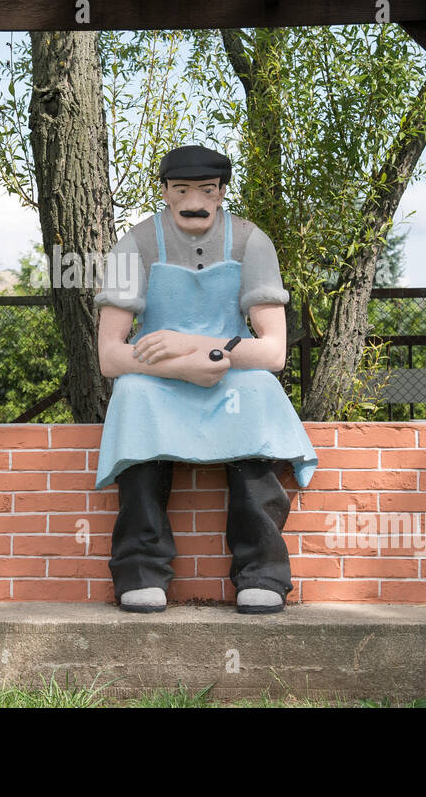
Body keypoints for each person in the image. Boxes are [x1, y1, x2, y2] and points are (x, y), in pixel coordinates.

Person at [94, 145, 319, 614]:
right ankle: (141, 569)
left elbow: (273, 351)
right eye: (181, 190)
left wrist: (193, 347)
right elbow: (111, 357)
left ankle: (262, 571)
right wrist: (177, 365)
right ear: (164, 192)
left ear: (220, 194)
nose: (194, 201)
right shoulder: (130, 245)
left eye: (206, 190)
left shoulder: (253, 242)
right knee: (133, 396)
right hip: (156, 379)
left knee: (259, 391)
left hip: (231, 375)